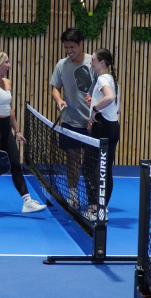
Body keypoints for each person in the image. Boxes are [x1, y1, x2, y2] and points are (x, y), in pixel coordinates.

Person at [0, 50, 47, 216]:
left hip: (6, 130)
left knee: (15, 164)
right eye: (6, 62)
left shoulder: (8, 83)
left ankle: (27, 202)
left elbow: (10, 109)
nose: (9, 65)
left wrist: (17, 130)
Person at [50, 28, 97, 210]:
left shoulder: (92, 63)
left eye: (72, 47)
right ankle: (73, 196)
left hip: (92, 123)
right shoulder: (62, 64)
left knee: (93, 165)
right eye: (66, 47)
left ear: (81, 44)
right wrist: (58, 99)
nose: (69, 51)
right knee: (72, 161)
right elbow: (55, 87)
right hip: (70, 121)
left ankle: (96, 202)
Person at [84, 48, 121, 221]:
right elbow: (118, 108)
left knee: (88, 167)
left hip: (103, 128)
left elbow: (110, 97)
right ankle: (102, 209)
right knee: (106, 170)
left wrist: (95, 109)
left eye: (93, 60)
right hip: (114, 127)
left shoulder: (102, 79)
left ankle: (93, 209)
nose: (90, 62)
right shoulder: (114, 79)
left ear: (102, 63)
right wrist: (95, 103)